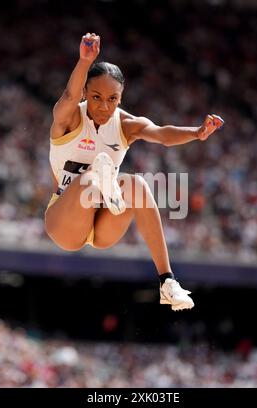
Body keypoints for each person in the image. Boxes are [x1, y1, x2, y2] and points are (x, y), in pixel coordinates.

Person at [45, 33, 224, 311]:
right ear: (84, 94)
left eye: (112, 98)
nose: (104, 106)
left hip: (103, 224)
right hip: (66, 222)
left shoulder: (126, 124)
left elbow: (162, 134)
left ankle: (167, 281)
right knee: (92, 175)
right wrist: (83, 62)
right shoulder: (68, 118)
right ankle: (102, 184)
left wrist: (197, 133)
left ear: (121, 97)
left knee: (138, 186)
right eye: (95, 97)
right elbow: (69, 95)